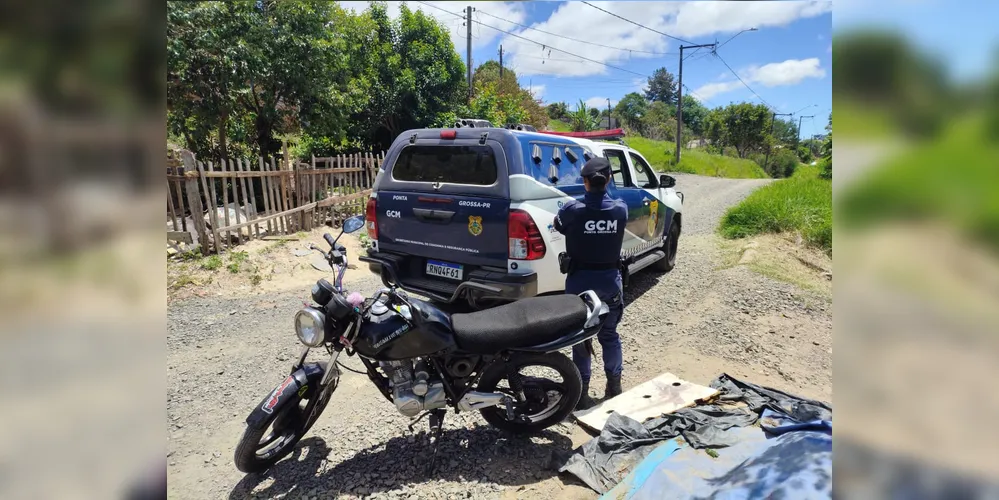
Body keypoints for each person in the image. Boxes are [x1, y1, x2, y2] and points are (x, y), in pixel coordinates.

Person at [553, 157, 627, 410]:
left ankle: (582, 395)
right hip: (609, 284)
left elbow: (558, 225)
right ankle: (614, 387)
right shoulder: (620, 209)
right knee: (609, 336)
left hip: (580, 286)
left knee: (582, 340)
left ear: (585, 182)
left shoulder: (572, 211)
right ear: (608, 180)